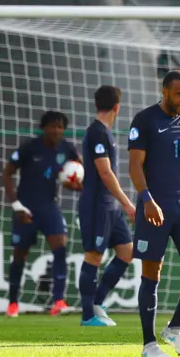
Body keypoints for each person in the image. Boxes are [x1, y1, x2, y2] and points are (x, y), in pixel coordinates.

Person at [128, 70, 180, 357]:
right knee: (152, 274)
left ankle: (174, 329)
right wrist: (147, 199)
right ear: (165, 92)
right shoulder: (145, 120)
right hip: (155, 205)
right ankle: (149, 345)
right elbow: (135, 166)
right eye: (179, 94)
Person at [3, 111, 82, 317]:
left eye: (60, 127)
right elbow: (7, 174)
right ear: (43, 127)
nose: (56, 131)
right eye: (52, 126)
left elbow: (80, 175)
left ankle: (58, 301)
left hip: (49, 206)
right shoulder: (30, 147)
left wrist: (76, 184)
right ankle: (13, 303)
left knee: (60, 248)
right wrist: (16, 205)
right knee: (20, 254)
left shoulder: (67, 149)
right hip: (26, 208)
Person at [78, 86, 135, 327]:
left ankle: (98, 303)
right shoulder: (97, 133)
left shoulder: (104, 133)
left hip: (110, 205)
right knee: (94, 255)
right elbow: (104, 171)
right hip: (97, 204)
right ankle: (87, 316)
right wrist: (127, 202)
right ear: (117, 107)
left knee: (127, 251)